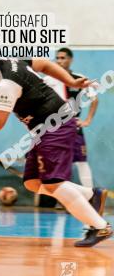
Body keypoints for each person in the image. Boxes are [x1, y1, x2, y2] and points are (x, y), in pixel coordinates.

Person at [0, 57, 109, 247]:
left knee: (53, 183)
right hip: (44, 129)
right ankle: (91, 195)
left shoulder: (6, 83)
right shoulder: (13, 62)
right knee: (33, 182)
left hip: (56, 126)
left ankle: (100, 227)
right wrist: (70, 81)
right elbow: (45, 64)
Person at [40, 48, 98, 188]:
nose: (59, 61)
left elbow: (94, 99)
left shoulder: (79, 78)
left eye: (63, 58)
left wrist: (87, 120)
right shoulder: (47, 80)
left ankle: (90, 196)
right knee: (59, 162)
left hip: (73, 126)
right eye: (57, 58)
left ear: (70, 59)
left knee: (81, 161)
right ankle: (64, 198)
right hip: (54, 127)